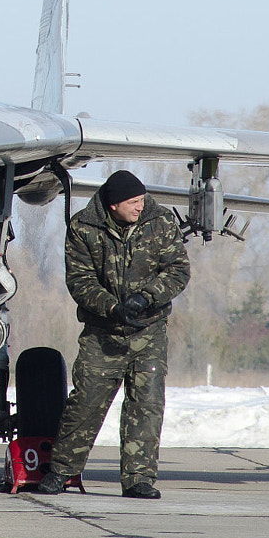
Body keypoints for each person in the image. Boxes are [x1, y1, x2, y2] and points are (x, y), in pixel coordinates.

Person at [35, 169, 190, 499]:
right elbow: (80, 281)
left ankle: (138, 479)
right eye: (133, 202)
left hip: (149, 331)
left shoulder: (160, 222)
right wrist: (112, 307)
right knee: (86, 401)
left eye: (141, 200)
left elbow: (178, 269)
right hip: (103, 333)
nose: (139, 207)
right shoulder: (83, 228)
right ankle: (61, 471)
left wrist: (147, 297)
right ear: (113, 205)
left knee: (146, 405)